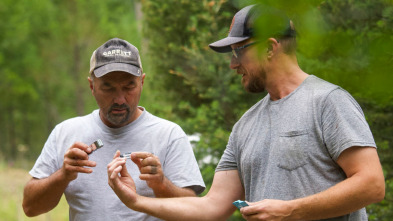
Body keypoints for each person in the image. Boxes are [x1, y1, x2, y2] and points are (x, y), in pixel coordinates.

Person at [106, 4, 385, 221]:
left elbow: (372, 184)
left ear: (269, 48)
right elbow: (212, 207)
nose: (232, 64)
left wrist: (289, 211)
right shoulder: (245, 125)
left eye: (238, 51)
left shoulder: (328, 101)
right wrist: (136, 201)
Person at [22, 38, 205, 221]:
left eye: (128, 87)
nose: (119, 99)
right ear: (92, 86)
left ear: (142, 82)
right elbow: (30, 207)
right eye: (108, 87)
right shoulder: (65, 133)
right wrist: (63, 175)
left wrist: (161, 184)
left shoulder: (169, 135)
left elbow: (194, 213)